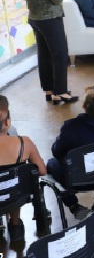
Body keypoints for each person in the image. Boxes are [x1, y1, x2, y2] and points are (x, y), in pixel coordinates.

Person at [46, 84, 94, 220]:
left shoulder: (71, 127)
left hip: (78, 179)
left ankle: (74, 206)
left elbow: (57, 152)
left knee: (51, 164)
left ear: (84, 106)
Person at [20, 0, 78, 105]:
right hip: (50, 19)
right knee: (60, 54)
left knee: (44, 55)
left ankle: (49, 90)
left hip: (35, 19)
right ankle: (61, 92)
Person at [0, 95, 47, 242]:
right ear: (7, 122)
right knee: (15, 184)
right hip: (16, 197)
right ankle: (15, 226)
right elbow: (42, 171)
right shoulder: (24, 143)